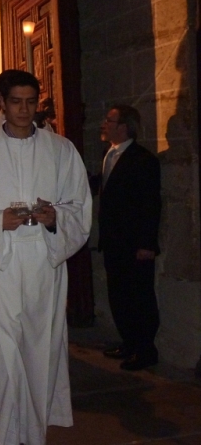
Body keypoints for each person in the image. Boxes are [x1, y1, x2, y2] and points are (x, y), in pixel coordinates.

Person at [0, 69, 92, 445]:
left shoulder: (60, 150)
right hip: (3, 264)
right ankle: (3, 435)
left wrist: (55, 218)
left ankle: (34, 434)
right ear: (2, 102)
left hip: (45, 265)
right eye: (16, 102)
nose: (24, 109)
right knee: (4, 353)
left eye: (31, 102)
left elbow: (79, 205)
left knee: (39, 349)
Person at [97, 105, 161, 371]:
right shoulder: (109, 154)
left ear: (123, 126)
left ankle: (145, 350)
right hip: (114, 242)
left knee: (139, 298)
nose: (103, 124)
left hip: (135, 245)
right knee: (119, 296)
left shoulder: (142, 159)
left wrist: (147, 244)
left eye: (109, 120)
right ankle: (129, 342)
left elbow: (150, 204)